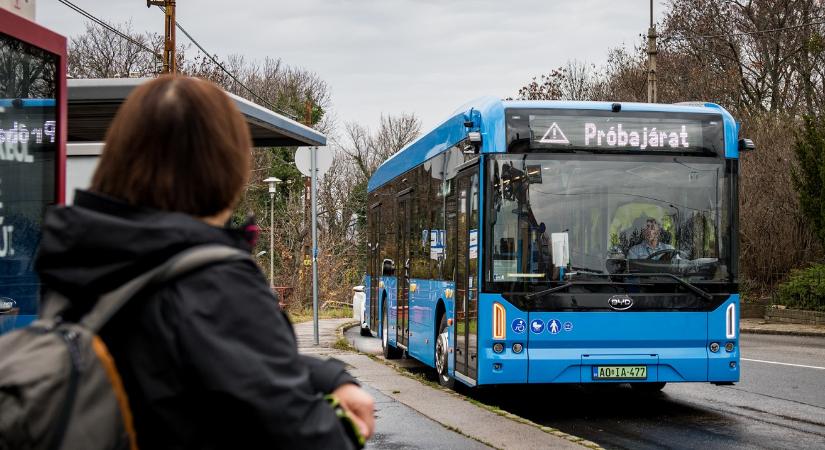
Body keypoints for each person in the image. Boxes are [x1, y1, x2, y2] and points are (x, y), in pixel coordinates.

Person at [34, 76, 373, 449]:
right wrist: (347, 425)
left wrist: (324, 374)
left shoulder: (83, 255)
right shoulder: (214, 285)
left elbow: (171, 366)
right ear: (228, 167)